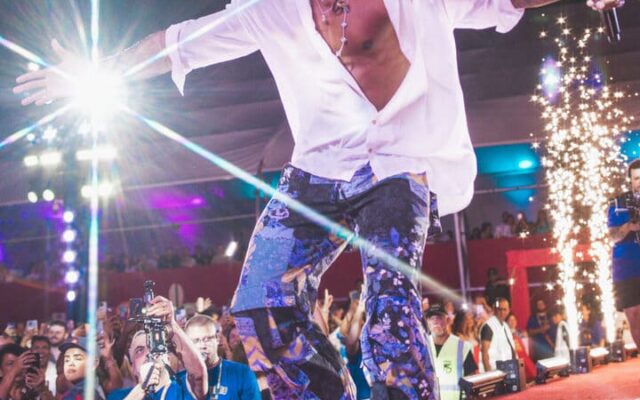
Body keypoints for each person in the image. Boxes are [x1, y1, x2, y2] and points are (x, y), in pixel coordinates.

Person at [13, 0, 624, 398]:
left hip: (401, 160)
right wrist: (94, 71)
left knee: (390, 303)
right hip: (320, 168)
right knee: (258, 308)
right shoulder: (269, 10)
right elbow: (178, 43)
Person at [108, 296, 208, 400]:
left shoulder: (182, 388)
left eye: (155, 346)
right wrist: (141, 389)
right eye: (140, 350)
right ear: (132, 367)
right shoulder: (118, 396)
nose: (149, 353)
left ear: (168, 359)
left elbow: (198, 375)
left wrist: (172, 325)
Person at [181, 315, 260, 400]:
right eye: (196, 341)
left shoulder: (242, 373)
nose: (202, 345)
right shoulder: (179, 381)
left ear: (217, 339)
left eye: (207, 339)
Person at [608, 158, 640, 349]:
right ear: (630, 180)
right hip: (627, 269)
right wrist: (629, 226)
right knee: (634, 317)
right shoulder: (617, 203)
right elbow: (613, 236)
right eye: (636, 178)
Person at [426, 305, 477, 400]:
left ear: (448, 320)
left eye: (439, 317)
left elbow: (472, 378)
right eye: (431, 318)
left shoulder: (462, 347)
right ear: (427, 322)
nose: (435, 322)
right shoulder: (422, 345)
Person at [480, 298, 516, 371]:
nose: (502, 312)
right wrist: (489, 374)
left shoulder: (506, 326)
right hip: (494, 371)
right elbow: (484, 353)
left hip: (508, 369)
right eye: (499, 309)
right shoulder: (488, 326)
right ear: (494, 310)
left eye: (504, 309)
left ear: (508, 310)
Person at [506, 314, 535, 381]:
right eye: (510, 320)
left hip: (524, 357)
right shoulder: (505, 334)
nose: (512, 322)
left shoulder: (522, 333)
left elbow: (526, 349)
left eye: (514, 320)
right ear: (506, 322)